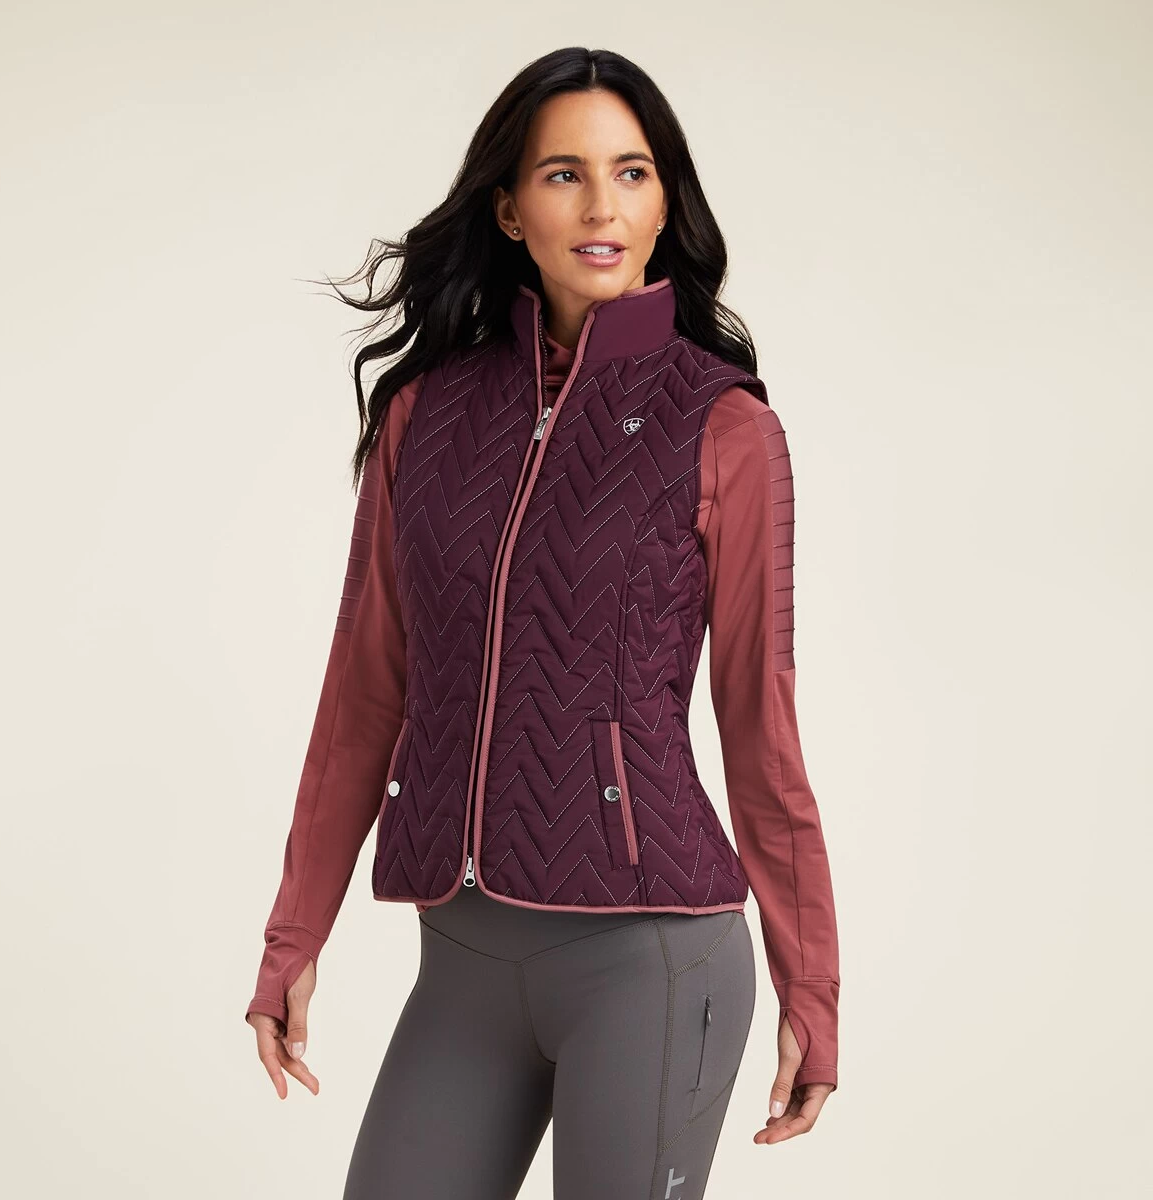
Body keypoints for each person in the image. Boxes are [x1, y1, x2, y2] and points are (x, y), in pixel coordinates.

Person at [245, 47, 841, 1200]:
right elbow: (365, 690)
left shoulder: (724, 430)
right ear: (511, 208)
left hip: (652, 961)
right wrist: (294, 936)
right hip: (462, 961)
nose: (603, 205)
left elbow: (760, 727)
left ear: (666, 203)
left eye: (632, 172)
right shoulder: (426, 414)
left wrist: (810, 987)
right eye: (565, 173)